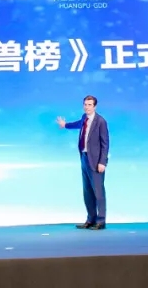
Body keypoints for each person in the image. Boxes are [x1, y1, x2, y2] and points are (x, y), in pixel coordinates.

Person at [56, 95, 109, 230]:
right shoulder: (84, 118)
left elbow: (105, 143)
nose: (87, 107)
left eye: (90, 105)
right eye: (85, 104)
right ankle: (90, 219)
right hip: (84, 158)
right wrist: (65, 125)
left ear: (95, 106)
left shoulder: (100, 121)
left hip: (95, 161)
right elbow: (78, 124)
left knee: (98, 192)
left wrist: (103, 162)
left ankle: (101, 221)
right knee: (87, 192)